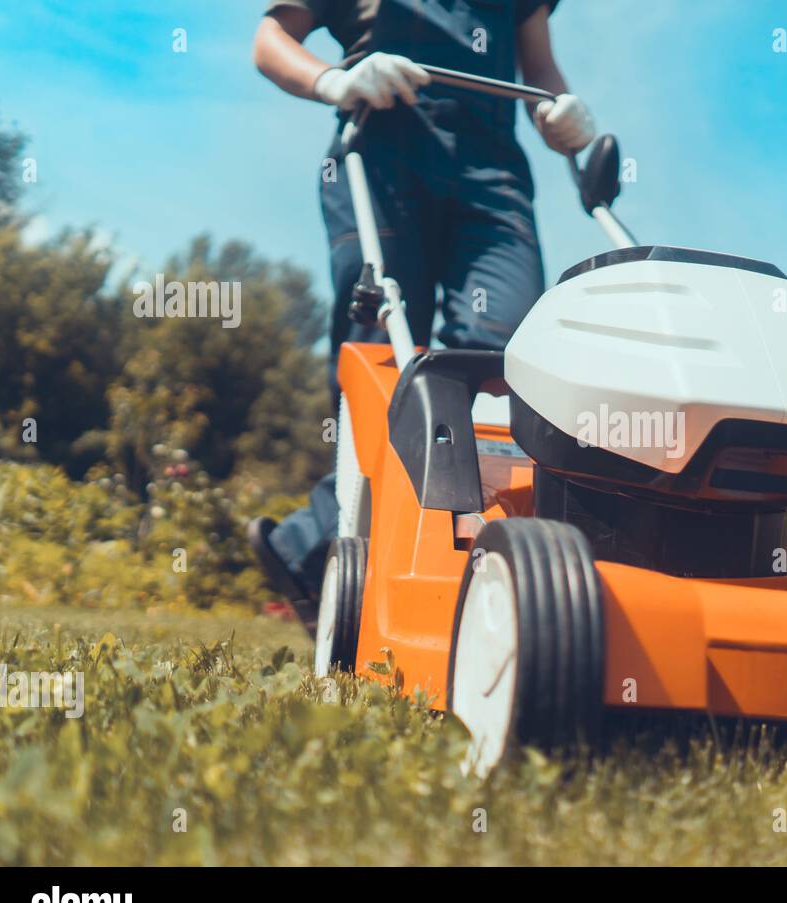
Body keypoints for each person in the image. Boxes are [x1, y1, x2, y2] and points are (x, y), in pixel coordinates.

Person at [247, 0, 594, 630]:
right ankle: (349, 551)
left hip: (492, 179)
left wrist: (561, 110)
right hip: (383, 152)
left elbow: (539, 70)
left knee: (503, 361)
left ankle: (335, 547)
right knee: (382, 358)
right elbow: (270, 41)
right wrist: (333, 80)